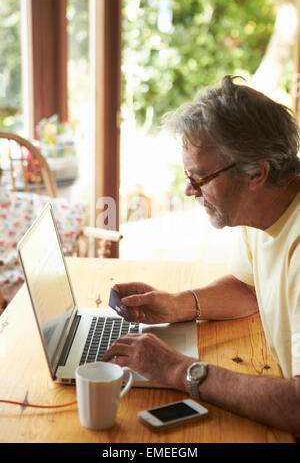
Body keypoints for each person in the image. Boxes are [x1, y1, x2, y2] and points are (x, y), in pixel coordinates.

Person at [103, 75, 300, 435]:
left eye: (200, 177)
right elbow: (248, 288)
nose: (189, 189)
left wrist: (179, 370)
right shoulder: (261, 212)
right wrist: (176, 305)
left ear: (257, 172)